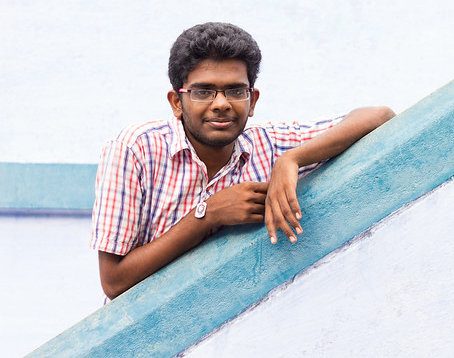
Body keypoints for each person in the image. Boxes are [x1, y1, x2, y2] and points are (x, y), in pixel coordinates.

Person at [90, 22, 395, 300]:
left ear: (252, 101)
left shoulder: (268, 144)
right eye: (203, 92)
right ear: (176, 102)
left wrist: (292, 159)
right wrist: (209, 213)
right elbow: (114, 282)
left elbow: (379, 116)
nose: (221, 104)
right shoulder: (134, 150)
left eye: (235, 91)